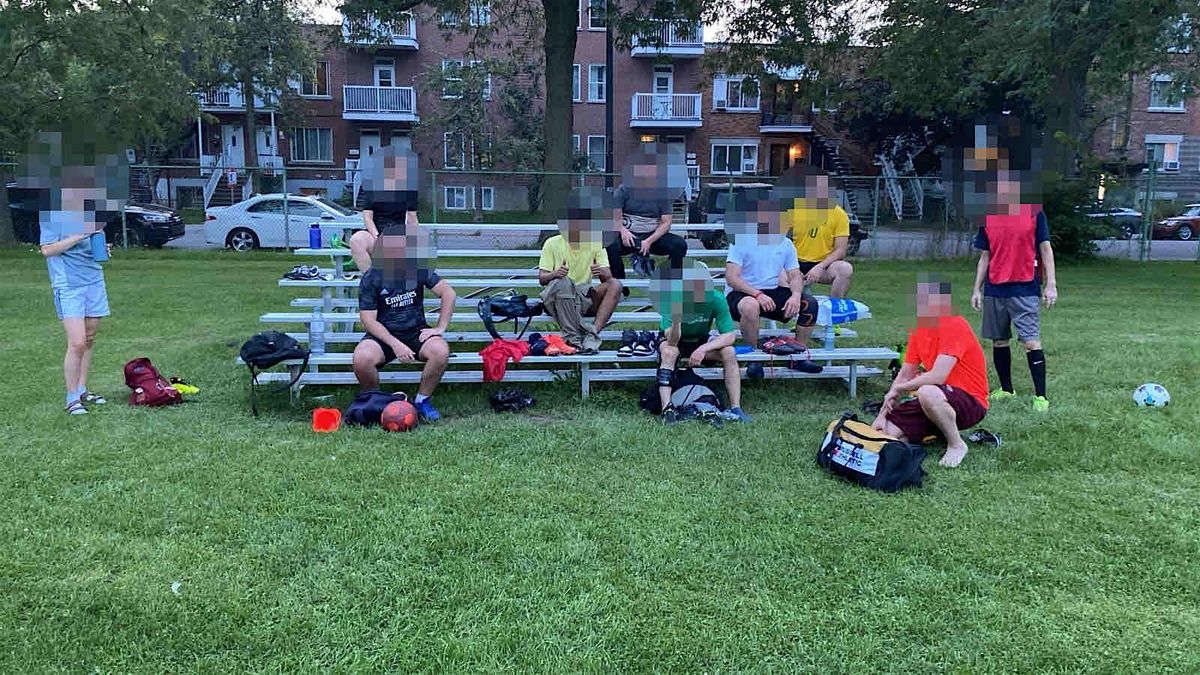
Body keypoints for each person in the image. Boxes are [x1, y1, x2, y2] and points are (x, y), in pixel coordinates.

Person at [873, 279, 990, 468]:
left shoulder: (955, 324)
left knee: (927, 390)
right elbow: (905, 373)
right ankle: (935, 431)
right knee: (884, 435)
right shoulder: (919, 329)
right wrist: (882, 414)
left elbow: (938, 376)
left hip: (971, 402)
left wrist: (900, 389)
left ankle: (956, 444)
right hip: (933, 399)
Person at [970, 166, 1058, 412]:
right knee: (999, 341)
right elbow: (985, 257)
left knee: (1031, 342)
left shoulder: (1034, 213)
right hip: (995, 289)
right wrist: (977, 289)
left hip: (1024, 287)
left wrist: (1051, 284)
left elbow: (1046, 249)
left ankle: (1041, 396)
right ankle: (1007, 389)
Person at [352, 230, 455, 421]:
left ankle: (422, 400)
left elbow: (448, 293)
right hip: (382, 335)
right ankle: (375, 401)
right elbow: (368, 320)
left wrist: (440, 327)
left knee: (440, 350)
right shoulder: (371, 277)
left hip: (415, 332)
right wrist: (395, 344)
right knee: (362, 358)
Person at [39, 166, 112, 415]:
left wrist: (102, 248)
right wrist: (78, 236)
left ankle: (82, 390)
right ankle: (72, 399)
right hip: (69, 285)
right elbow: (47, 250)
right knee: (77, 342)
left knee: (89, 339)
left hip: (94, 280)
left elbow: (92, 245)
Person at [723, 191, 821, 372]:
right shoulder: (741, 240)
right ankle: (754, 358)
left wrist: (796, 295)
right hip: (741, 293)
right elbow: (732, 278)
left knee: (810, 304)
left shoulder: (785, 243)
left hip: (772, 291)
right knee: (751, 305)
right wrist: (757, 294)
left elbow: (795, 274)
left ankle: (798, 356)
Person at [656, 263, 750, 423]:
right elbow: (671, 340)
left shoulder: (716, 298)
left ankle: (736, 407)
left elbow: (729, 336)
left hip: (700, 340)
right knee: (668, 352)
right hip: (675, 340)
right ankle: (667, 409)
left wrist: (703, 349)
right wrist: (677, 320)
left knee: (729, 352)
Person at [780, 165, 855, 348]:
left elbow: (840, 250)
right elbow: (777, 238)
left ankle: (834, 319)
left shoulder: (839, 214)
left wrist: (820, 266)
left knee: (845, 269)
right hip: (796, 262)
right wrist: (790, 266)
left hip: (824, 265)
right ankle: (794, 317)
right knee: (779, 273)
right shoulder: (796, 209)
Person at [538, 201, 623, 354]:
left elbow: (608, 278)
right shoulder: (552, 243)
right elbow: (542, 278)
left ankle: (592, 335)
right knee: (563, 282)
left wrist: (602, 272)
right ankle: (574, 339)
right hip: (558, 296)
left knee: (615, 284)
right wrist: (555, 274)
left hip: (582, 295)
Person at [606, 150, 688, 279]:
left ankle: (667, 281)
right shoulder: (624, 189)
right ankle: (620, 285)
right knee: (610, 245)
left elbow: (666, 222)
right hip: (629, 235)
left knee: (679, 245)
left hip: (652, 237)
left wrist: (649, 241)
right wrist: (623, 231)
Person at [349, 148, 420, 273]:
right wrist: (377, 236)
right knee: (356, 240)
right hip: (374, 235)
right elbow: (367, 217)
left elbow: (412, 220)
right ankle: (371, 279)